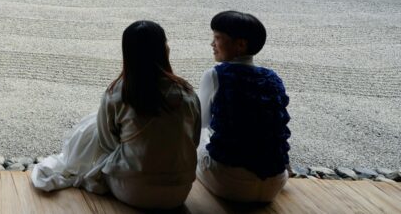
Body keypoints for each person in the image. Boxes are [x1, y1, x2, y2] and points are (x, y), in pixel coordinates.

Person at [31, 21, 201, 210]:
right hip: (178, 192)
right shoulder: (187, 93)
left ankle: (74, 161)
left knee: (92, 124)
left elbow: (106, 142)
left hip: (131, 190)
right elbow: (194, 140)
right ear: (163, 49)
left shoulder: (118, 93)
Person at [197, 11, 290, 203]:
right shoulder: (273, 78)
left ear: (240, 44)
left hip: (229, 182)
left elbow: (201, 122)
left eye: (217, 38)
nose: (212, 44)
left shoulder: (215, 74)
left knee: (199, 133)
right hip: (275, 182)